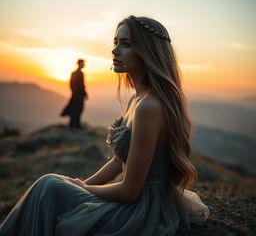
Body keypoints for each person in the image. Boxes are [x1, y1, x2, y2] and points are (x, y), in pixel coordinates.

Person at [0, 15, 209, 235]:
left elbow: (130, 191)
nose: (115, 50)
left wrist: (87, 189)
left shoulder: (149, 107)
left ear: (148, 52)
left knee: (48, 185)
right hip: (131, 200)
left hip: (139, 209)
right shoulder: (137, 100)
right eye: (116, 42)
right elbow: (120, 162)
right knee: (56, 183)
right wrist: (80, 183)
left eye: (126, 44)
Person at [60, 59, 88, 130]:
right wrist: (83, 93)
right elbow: (81, 85)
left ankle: (73, 125)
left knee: (75, 109)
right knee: (77, 109)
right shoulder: (80, 74)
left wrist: (74, 91)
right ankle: (75, 125)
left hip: (76, 94)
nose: (84, 64)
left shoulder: (74, 73)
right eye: (83, 63)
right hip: (78, 94)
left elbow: (71, 84)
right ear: (80, 64)